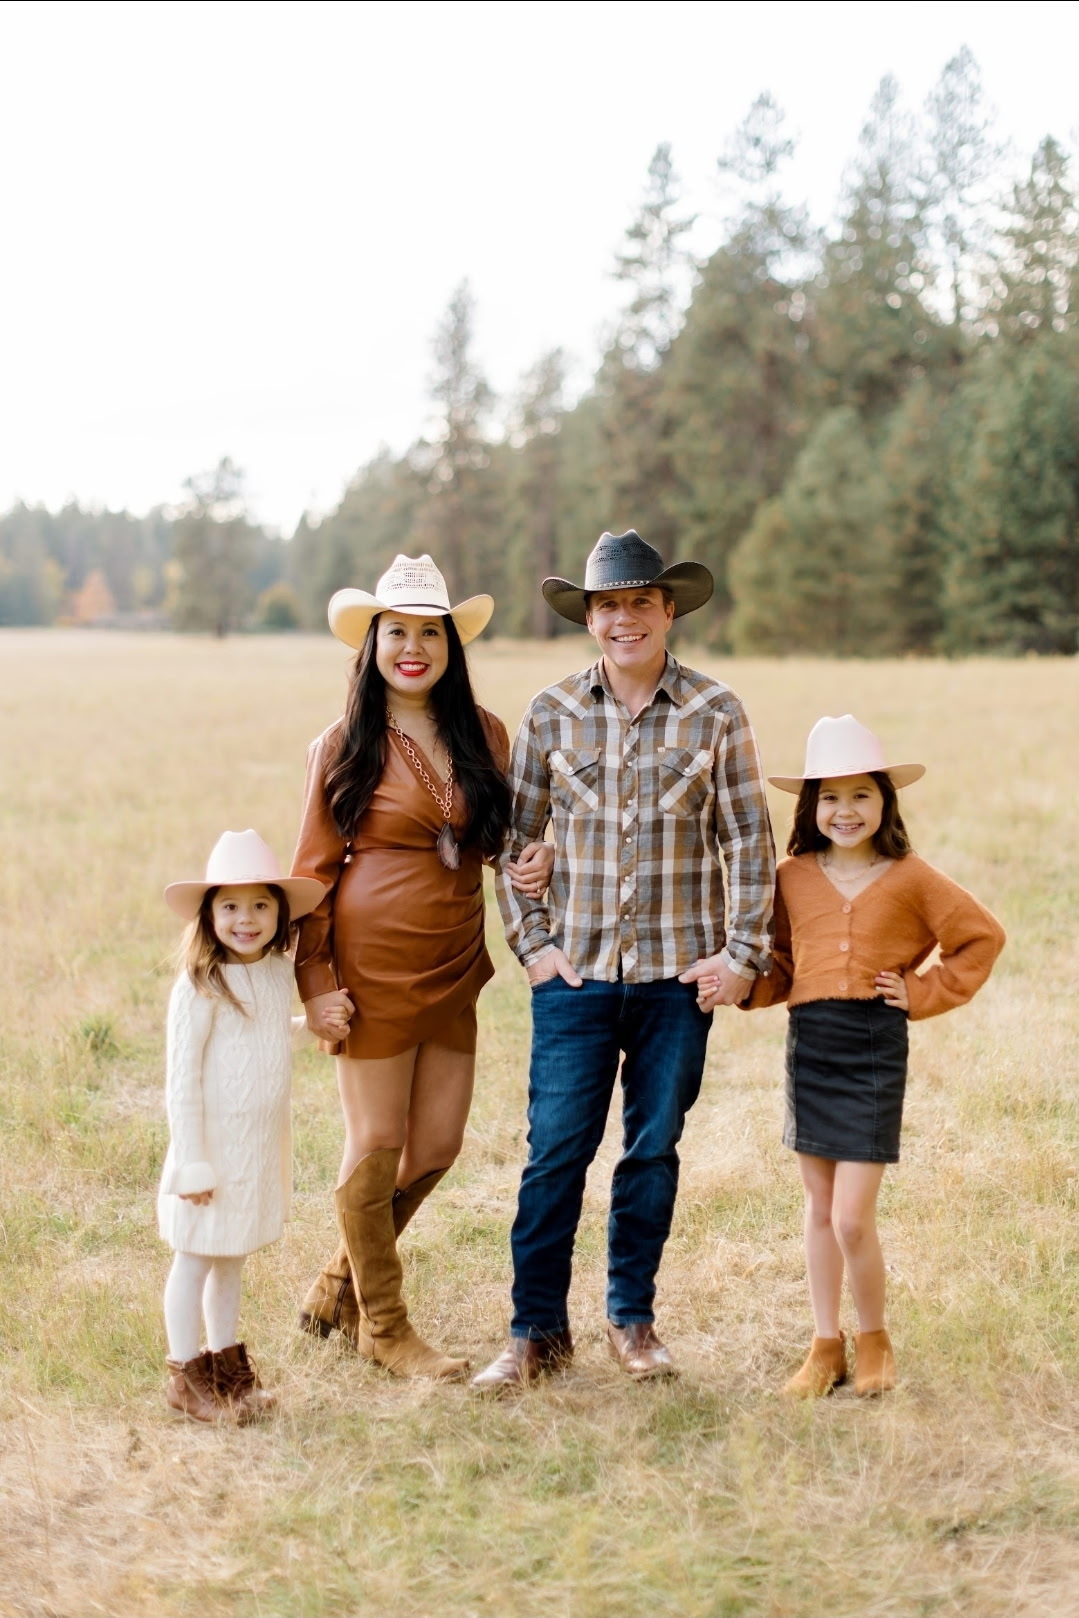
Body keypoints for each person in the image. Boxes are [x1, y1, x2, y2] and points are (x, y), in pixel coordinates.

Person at [471, 530, 776, 1392]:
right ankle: (534, 1331)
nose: (624, 619)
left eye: (640, 602)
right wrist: (534, 948)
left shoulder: (715, 710)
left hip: (677, 979)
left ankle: (631, 1320)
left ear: (668, 610)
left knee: (651, 1152)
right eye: (608, 606)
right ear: (589, 618)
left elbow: (749, 841)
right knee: (554, 1153)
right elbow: (514, 840)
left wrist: (742, 955)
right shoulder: (550, 711)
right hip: (575, 976)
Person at [292, 554, 553, 1382]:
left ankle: (337, 1281)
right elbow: (311, 873)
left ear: (450, 645)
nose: (413, 648)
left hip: (453, 958)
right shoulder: (343, 744)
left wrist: (531, 859)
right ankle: (384, 1326)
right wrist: (316, 984)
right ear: (371, 645)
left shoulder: (486, 732)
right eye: (396, 632)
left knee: (437, 1145)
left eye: (429, 634)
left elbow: (494, 842)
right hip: (370, 967)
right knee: (376, 1141)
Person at [737, 714, 1005, 1397]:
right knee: (819, 1210)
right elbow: (780, 964)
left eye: (861, 794)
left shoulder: (911, 878)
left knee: (853, 1217)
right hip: (811, 1048)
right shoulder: (791, 877)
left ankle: (874, 1338)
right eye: (829, 796)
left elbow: (981, 937)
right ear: (810, 806)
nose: (845, 810)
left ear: (885, 801)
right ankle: (824, 1346)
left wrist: (923, 990)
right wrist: (741, 988)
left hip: (873, 1051)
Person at [158, 829, 351, 1424]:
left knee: (231, 1259)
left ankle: (227, 1369)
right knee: (194, 1260)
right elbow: (182, 1079)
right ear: (209, 915)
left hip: (252, 1152)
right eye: (231, 906)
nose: (246, 919)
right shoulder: (199, 985)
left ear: (280, 913)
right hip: (209, 1154)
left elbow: (262, 1032)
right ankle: (184, 1375)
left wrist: (311, 1022)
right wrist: (192, 1162)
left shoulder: (274, 972)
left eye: (261, 905)